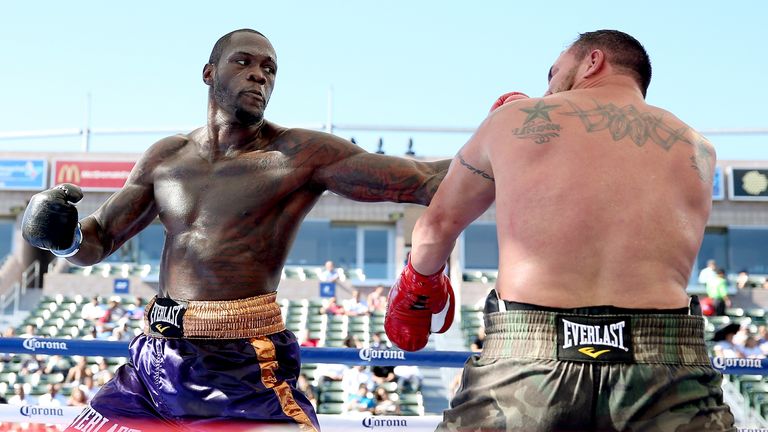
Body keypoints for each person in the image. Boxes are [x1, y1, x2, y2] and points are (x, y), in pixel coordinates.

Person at [21, 28, 448, 432]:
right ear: (209, 73)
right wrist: (65, 237)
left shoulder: (298, 154)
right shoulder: (166, 157)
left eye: (270, 68)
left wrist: (499, 150)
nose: (259, 74)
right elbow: (99, 239)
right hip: (151, 362)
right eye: (243, 61)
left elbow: (422, 180)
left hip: (240, 363)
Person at [384, 30, 735, 430]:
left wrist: (419, 282)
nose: (548, 88)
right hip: (664, 360)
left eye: (554, 72)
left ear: (593, 61)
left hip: (529, 354)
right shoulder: (697, 148)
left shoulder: (516, 119)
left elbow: (437, 225)